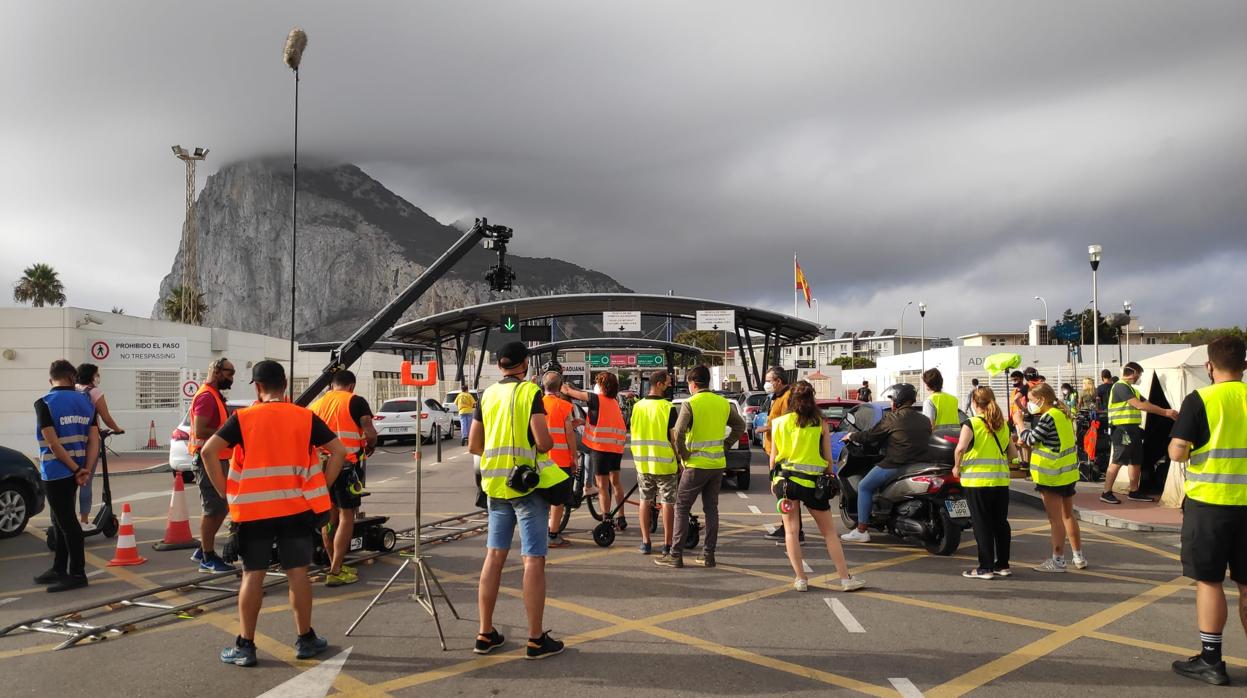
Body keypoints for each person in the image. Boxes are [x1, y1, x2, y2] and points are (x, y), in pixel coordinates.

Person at [200, 360, 345, 667]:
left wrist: (225, 492)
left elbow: (208, 451)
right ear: (286, 386)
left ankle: (246, 645)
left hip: (253, 512)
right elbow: (340, 452)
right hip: (296, 509)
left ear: (257, 387)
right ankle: (306, 640)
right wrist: (323, 483)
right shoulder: (304, 417)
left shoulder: (244, 419)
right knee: (298, 573)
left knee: (253, 575)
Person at [470, 341, 568, 659]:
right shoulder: (529, 393)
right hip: (525, 489)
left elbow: (474, 444)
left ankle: (485, 634)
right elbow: (542, 441)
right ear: (525, 364)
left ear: (499, 365)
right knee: (533, 559)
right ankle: (536, 639)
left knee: (494, 557)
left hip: (495, 488)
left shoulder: (485, 395)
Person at [1167, 335, 1247, 686]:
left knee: (1210, 581)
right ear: (1244, 365)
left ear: (1209, 366)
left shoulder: (1200, 399)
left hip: (1210, 506)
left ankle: (1212, 661)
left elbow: (1177, 451)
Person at [770, 381, 865, 592]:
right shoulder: (819, 421)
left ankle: (800, 579)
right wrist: (830, 475)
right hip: (814, 484)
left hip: (786, 482)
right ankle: (845, 579)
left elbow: (773, 457)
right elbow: (828, 457)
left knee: (791, 532)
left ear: (791, 400)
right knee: (829, 533)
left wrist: (772, 480)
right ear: (812, 398)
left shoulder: (779, 422)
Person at [655, 365, 746, 569]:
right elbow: (740, 426)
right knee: (711, 509)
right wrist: (725, 445)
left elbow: (677, 434)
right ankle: (708, 555)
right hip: (717, 465)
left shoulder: (691, 404)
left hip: (695, 465)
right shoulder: (722, 403)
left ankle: (675, 555)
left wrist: (683, 456)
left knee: (681, 507)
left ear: (693, 383)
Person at [34, 360, 98, 593]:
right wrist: (85, 469)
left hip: (56, 471)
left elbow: (52, 444)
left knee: (66, 522)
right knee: (60, 520)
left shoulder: (44, 403)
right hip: (77, 470)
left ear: (52, 379)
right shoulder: (85, 402)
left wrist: (74, 469)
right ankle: (59, 568)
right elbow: (94, 441)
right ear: (72, 378)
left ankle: (77, 573)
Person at [840, 383, 932, 543]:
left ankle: (861, 530)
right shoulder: (924, 419)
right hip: (920, 464)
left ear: (898, 399)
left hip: (896, 464)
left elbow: (870, 436)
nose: (891, 403)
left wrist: (851, 436)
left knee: (864, 486)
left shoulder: (892, 418)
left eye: (891, 399)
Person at [309, 370, 377, 587]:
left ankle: (333, 563)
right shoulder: (355, 401)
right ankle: (337, 570)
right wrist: (370, 447)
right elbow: (370, 432)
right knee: (346, 516)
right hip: (345, 467)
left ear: (332, 384)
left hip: (319, 468)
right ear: (351, 386)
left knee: (329, 517)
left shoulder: (317, 405)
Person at [1014, 382, 1086, 573]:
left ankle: (1058, 560)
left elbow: (1030, 440)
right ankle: (1078, 556)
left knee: (1055, 520)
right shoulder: (1062, 414)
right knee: (1068, 516)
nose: (1029, 404)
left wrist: (1019, 423)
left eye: (1031, 400)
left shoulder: (1048, 418)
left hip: (1051, 475)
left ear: (1042, 399)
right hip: (1067, 473)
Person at [954, 386, 1019, 579]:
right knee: (1000, 523)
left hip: (977, 482)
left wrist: (956, 467)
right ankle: (1003, 565)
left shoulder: (971, 423)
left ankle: (985, 567)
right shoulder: (1002, 424)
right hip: (999, 480)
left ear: (974, 403)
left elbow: (960, 449)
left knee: (981, 524)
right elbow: (1013, 454)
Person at [1101, 361, 1178, 504]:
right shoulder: (1120, 387)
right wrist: (1166, 412)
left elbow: (1147, 403)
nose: (1139, 378)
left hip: (1133, 429)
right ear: (1133, 373)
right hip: (1122, 429)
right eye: (1139, 374)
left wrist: (1166, 412)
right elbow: (1139, 405)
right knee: (1118, 460)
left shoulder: (1131, 389)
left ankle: (1134, 491)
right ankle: (1106, 492)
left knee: (1136, 461)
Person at [190, 357, 239, 573]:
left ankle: (203, 550)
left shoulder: (214, 396)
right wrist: (228, 434)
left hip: (217, 458)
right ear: (218, 372)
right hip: (208, 460)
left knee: (220, 506)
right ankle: (208, 558)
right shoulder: (207, 397)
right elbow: (200, 430)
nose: (232, 379)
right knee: (214, 509)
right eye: (230, 374)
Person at [562, 373, 628, 528]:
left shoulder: (595, 399)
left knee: (603, 487)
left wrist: (562, 385)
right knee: (616, 483)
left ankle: (606, 518)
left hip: (600, 449)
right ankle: (621, 517)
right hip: (616, 449)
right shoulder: (614, 403)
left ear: (601, 386)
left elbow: (570, 392)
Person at [629, 370, 680, 556]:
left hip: (643, 463)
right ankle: (667, 544)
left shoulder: (637, 407)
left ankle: (646, 542)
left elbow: (633, 431)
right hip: (665, 463)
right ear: (658, 383)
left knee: (645, 500)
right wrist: (680, 460)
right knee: (668, 503)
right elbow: (673, 438)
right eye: (667, 383)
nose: (669, 387)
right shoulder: (667, 408)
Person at [758, 367, 804, 545]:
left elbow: (787, 422)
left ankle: (792, 529)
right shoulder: (777, 397)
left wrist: (766, 428)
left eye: (769, 380)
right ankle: (789, 526)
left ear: (778, 381)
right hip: (776, 449)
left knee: (785, 492)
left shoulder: (787, 397)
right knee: (783, 493)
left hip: (783, 452)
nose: (767, 383)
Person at [74, 362, 124, 525]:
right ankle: (84, 520)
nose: (98, 377)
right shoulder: (94, 391)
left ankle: (67, 519)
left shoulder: (72, 389)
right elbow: (105, 416)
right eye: (97, 374)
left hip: (73, 435)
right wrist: (117, 429)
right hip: (91, 436)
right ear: (91, 375)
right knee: (86, 479)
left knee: (71, 479)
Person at [541, 368, 578, 548]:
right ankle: (553, 535)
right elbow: (569, 434)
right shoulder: (564, 407)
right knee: (557, 501)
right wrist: (574, 458)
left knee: (542, 500)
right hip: (560, 461)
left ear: (543, 386)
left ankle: (539, 532)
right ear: (560, 386)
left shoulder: (537, 404)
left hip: (539, 461)